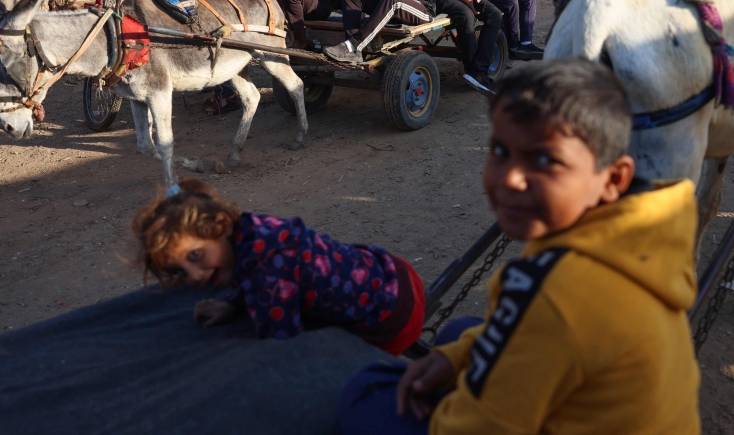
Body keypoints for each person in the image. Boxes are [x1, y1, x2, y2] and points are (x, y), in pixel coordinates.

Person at [336, 59, 701, 434]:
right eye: (500, 151)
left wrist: (450, 403)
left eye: (545, 160)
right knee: (457, 333)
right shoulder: (635, 234)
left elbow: (478, 427)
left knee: (367, 392)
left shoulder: (558, 292)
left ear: (613, 178)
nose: (510, 178)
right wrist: (456, 359)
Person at [132, 178, 425, 355]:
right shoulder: (249, 229)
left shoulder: (269, 268)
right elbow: (249, 274)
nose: (195, 276)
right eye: (181, 271)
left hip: (394, 318)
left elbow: (283, 342)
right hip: (391, 270)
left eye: (195, 256)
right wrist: (235, 302)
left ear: (219, 226)